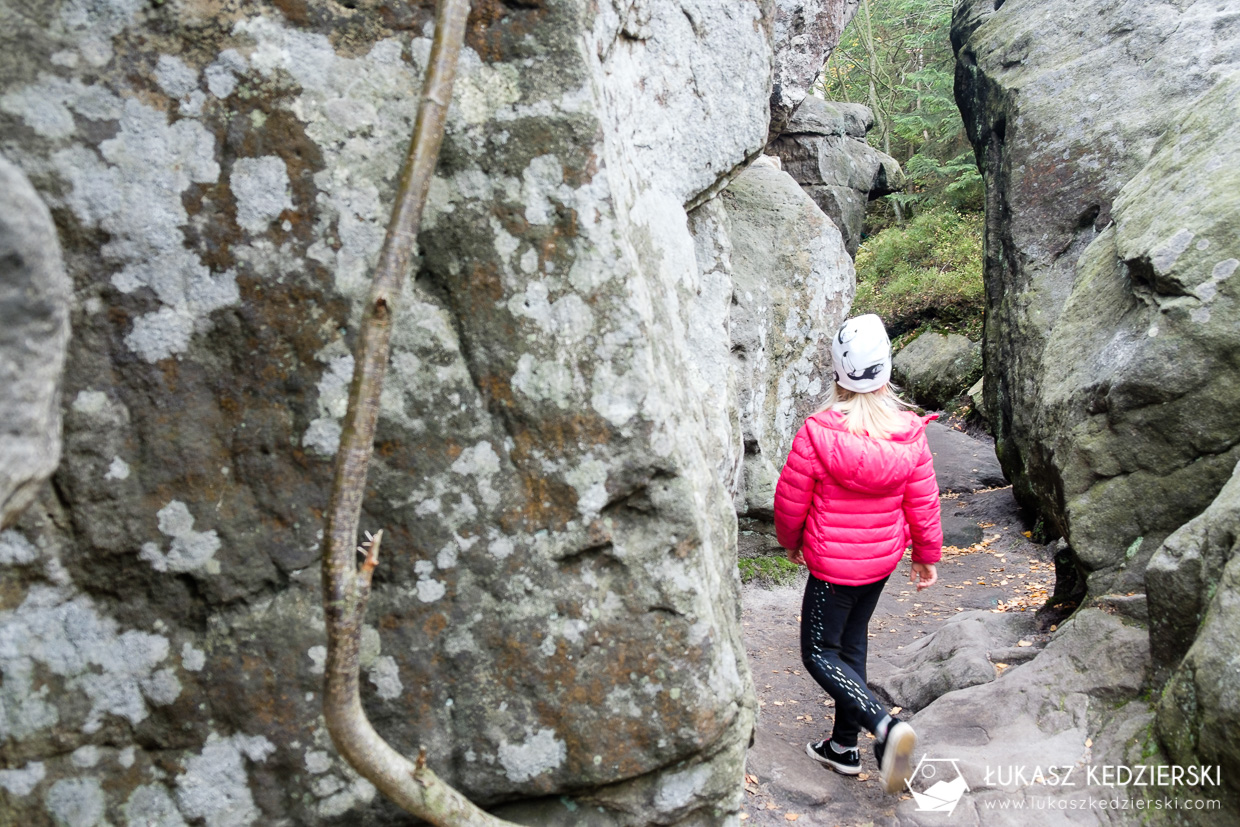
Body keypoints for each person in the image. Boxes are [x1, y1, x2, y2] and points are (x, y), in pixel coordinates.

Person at [773, 313, 943, 795]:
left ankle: (884, 728)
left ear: (837, 374)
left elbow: (791, 501)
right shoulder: (909, 433)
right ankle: (843, 747)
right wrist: (926, 554)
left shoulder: (817, 432)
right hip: (879, 564)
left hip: (831, 567)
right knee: (851, 645)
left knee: (818, 653)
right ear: (887, 374)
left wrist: (791, 542)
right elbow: (924, 502)